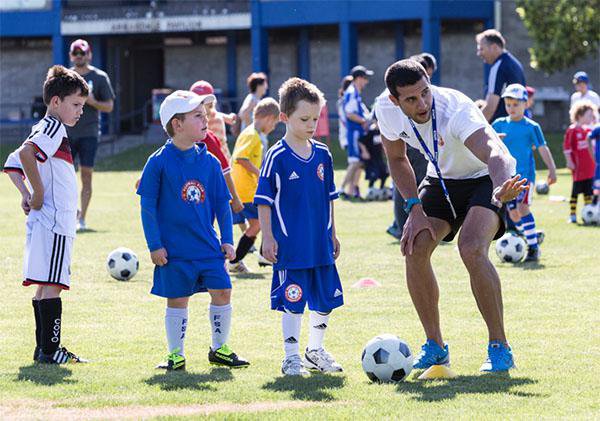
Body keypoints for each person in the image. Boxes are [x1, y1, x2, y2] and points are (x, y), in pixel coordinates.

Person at [376, 59, 525, 372]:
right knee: (414, 249)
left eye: (425, 93)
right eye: (411, 99)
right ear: (394, 100)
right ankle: (435, 346)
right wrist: (413, 208)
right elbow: (397, 158)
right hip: (442, 177)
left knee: (470, 247)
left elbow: (493, 152)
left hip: (488, 177)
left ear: (430, 82)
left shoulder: (455, 108)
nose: (423, 103)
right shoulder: (385, 110)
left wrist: (500, 189)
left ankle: (499, 346)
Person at [137, 90, 249, 370]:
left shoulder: (210, 162)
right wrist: (154, 245)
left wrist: (227, 240)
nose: (206, 119)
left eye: (206, 114)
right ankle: (176, 355)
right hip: (174, 250)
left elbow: (223, 206)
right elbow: (148, 208)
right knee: (177, 299)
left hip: (208, 248)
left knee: (223, 291)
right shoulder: (158, 162)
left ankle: (219, 348)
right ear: (177, 124)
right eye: (198, 115)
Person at [255, 78, 344, 376]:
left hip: (319, 243)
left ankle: (315, 351)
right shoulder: (275, 157)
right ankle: (291, 355)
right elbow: (264, 200)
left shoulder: (323, 154)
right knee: (293, 300)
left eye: (315, 118)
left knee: (325, 299)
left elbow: (329, 197)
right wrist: (267, 237)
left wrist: (333, 233)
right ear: (284, 118)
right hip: (290, 246)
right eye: (304, 119)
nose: (311, 124)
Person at [2, 65, 89, 364]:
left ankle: (43, 350)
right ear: (55, 102)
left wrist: (27, 194)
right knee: (52, 284)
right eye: (76, 104)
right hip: (54, 222)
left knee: (44, 284)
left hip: (48, 221)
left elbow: (12, 165)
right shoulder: (53, 127)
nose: (80, 111)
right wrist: (36, 195)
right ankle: (52, 351)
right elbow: (25, 156)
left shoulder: (44, 129)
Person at [492, 84, 557, 262]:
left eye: (516, 104)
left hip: (525, 178)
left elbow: (543, 148)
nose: (511, 108)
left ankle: (533, 248)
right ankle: (531, 235)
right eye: (508, 104)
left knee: (523, 208)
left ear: (525, 104)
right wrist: (495, 139)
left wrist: (552, 168)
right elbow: (488, 144)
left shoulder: (531, 127)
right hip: (507, 178)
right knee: (513, 214)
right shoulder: (498, 124)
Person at [67, 39, 115, 232]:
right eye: (76, 53)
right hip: (66, 133)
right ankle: (71, 213)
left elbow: (109, 106)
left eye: (83, 53)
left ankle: (82, 220)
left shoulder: (99, 77)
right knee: (64, 176)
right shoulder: (66, 77)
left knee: (86, 176)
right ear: (71, 55)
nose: (79, 56)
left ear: (90, 55)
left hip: (88, 133)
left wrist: (92, 101)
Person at [228, 98, 280, 273]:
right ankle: (238, 260)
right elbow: (241, 158)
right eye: (274, 123)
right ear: (268, 118)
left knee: (257, 224)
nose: (273, 127)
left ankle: (237, 261)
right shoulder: (252, 135)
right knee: (261, 223)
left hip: (246, 189)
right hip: (245, 191)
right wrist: (261, 174)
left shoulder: (254, 134)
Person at [476, 29, 526, 123]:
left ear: (494, 47)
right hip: (517, 124)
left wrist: (473, 127)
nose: (479, 53)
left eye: (481, 49)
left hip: (502, 130)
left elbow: (490, 108)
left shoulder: (498, 66)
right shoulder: (514, 63)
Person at [339, 65, 373, 200]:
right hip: (354, 133)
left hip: (357, 132)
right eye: (365, 78)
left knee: (359, 162)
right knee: (354, 161)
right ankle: (341, 189)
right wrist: (364, 121)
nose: (366, 81)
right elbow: (349, 114)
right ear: (358, 78)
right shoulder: (352, 93)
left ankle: (351, 190)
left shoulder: (354, 92)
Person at [563, 101, 597, 223]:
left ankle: (588, 212)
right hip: (578, 167)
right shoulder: (572, 130)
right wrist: (569, 161)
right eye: (589, 115)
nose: (591, 118)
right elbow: (567, 147)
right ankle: (572, 215)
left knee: (589, 191)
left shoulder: (589, 130)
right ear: (579, 116)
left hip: (590, 167)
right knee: (576, 191)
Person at [190, 80, 236, 159]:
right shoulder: (204, 116)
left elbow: (211, 148)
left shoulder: (215, 121)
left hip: (220, 162)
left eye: (200, 102)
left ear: (210, 103)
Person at [359, 116, 391, 201]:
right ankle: (370, 190)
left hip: (379, 157)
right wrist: (364, 151)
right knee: (374, 175)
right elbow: (361, 141)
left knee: (385, 173)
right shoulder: (370, 132)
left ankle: (381, 189)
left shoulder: (381, 132)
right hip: (371, 158)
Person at [336, 75, 353, 151]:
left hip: (346, 135)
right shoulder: (345, 101)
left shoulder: (343, 100)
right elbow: (346, 118)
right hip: (348, 135)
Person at [588, 123, 600, 205]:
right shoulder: (598, 128)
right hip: (599, 164)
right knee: (597, 185)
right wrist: (592, 154)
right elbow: (588, 138)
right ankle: (595, 203)